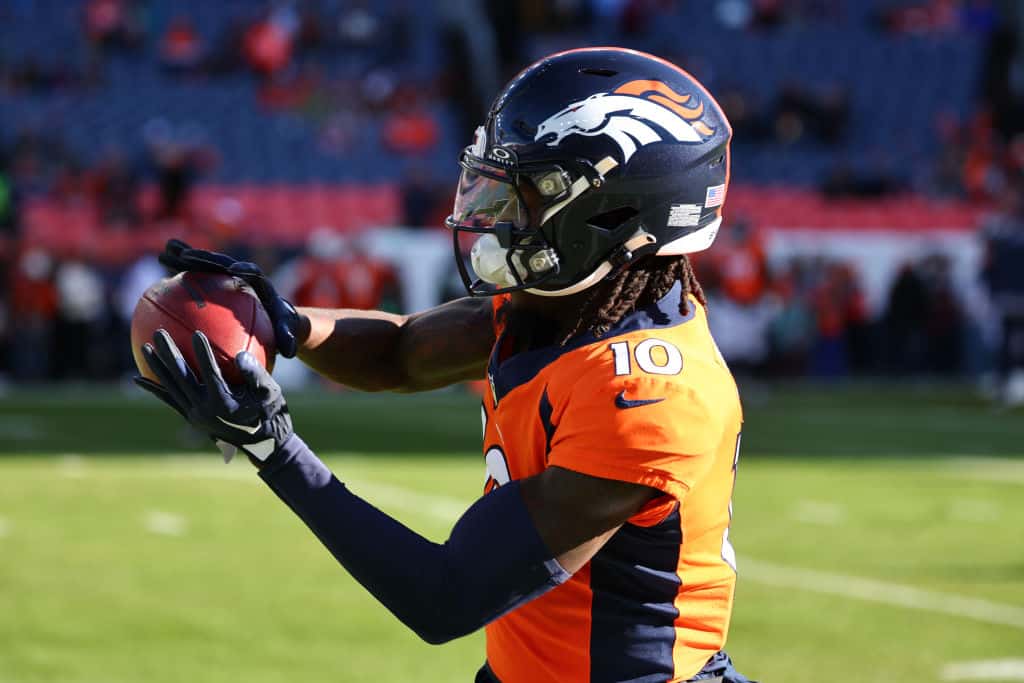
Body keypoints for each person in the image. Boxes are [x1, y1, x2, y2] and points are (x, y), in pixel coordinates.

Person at [135, 48, 756, 683]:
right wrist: (285, 323)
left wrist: (274, 449)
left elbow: (444, 595)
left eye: (530, 191)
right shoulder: (564, 306)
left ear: (616, 214)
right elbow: (402, 352)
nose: (496, 214)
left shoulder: (651, 393)